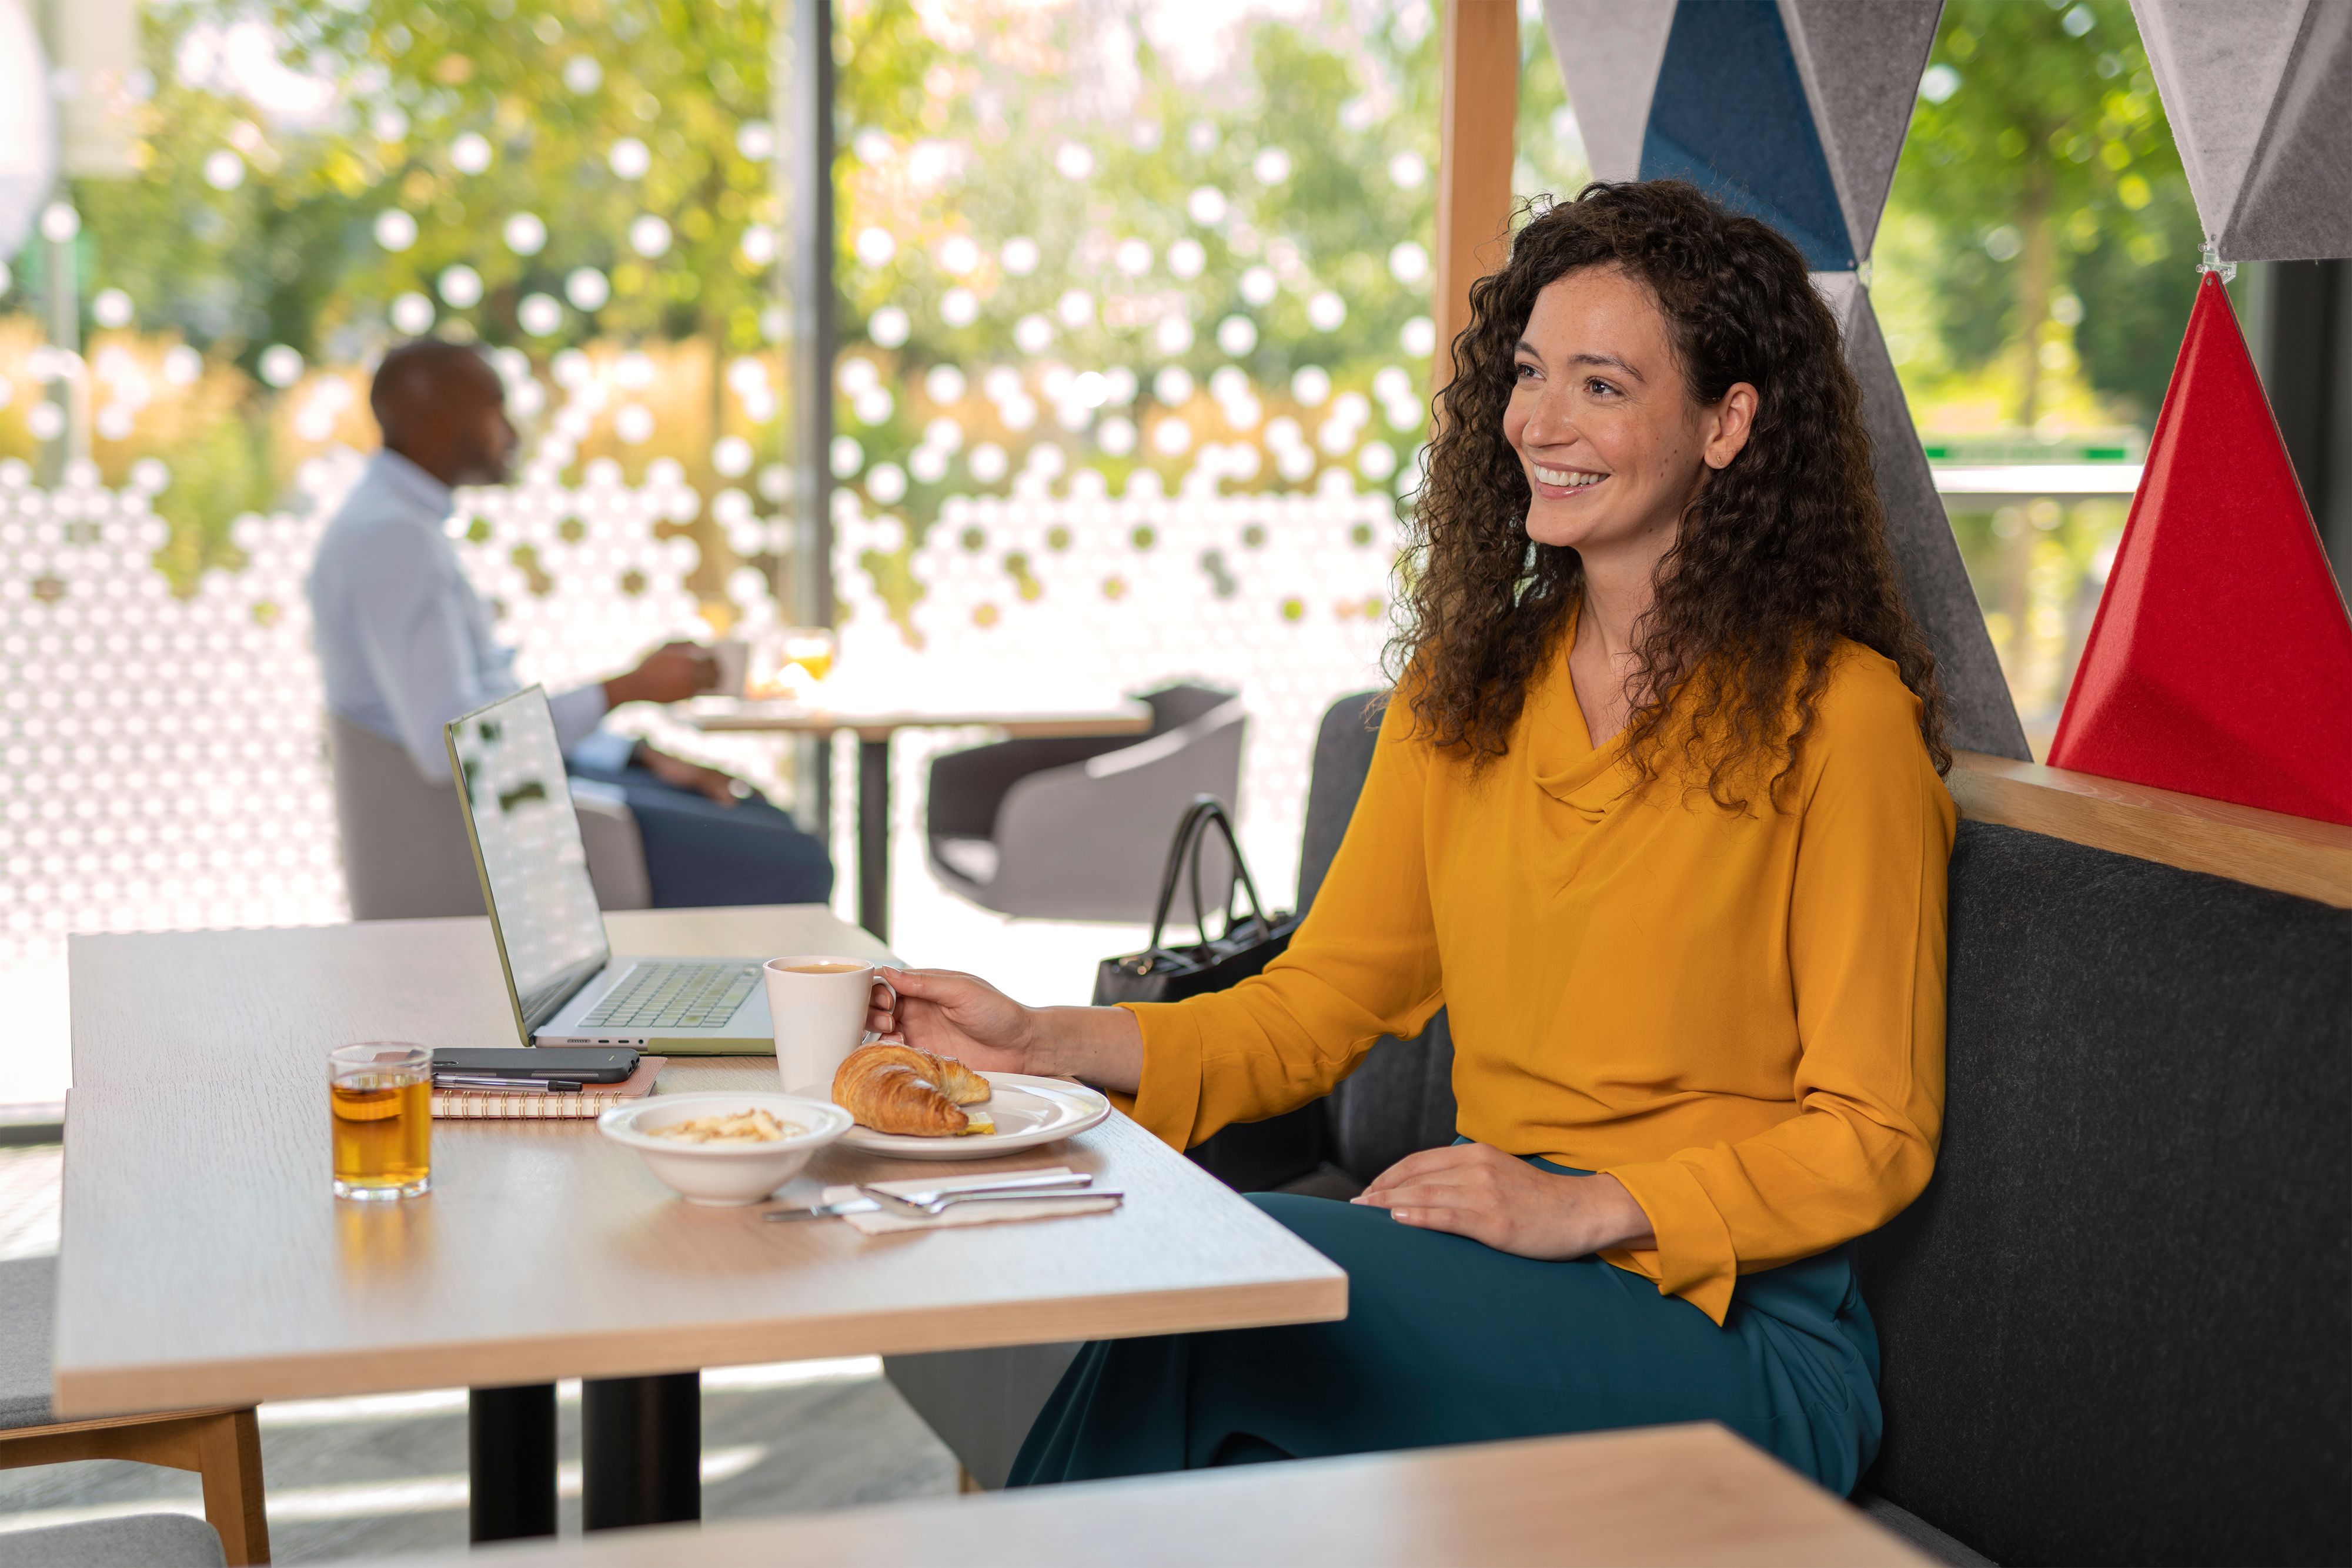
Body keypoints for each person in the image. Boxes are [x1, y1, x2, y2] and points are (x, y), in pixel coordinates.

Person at [866, 181, 1955, 1496]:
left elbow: (1872, 1130)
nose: (1538, 423)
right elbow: (1316, 1005)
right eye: (1529, 372)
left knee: (1235, 1282)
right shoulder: (1462, 693)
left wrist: (1584, 1205)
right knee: (1216, 1310)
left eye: (1601, 386)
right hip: (1490, 1266)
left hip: (1728, 1331)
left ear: (1727, 424)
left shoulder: (1840, 719)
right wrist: (1036, 1042)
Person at [310, 337, 831, 908]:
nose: (512, 434)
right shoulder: (395, 540)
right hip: (488, 828)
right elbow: (452, 747)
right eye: (495, 411)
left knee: (758, 813)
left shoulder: (395, 524)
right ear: (436, 424)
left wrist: (634, 754)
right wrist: (626, 689)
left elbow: (482, 712)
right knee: (791, 859)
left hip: (519, 792)